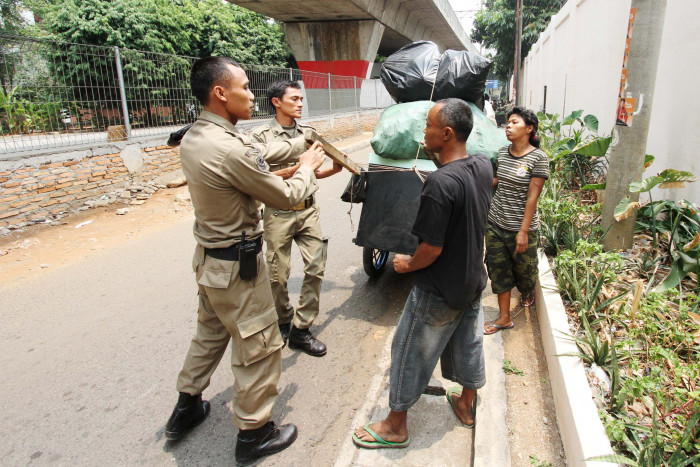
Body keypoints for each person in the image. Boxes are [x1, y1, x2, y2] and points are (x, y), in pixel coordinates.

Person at [164, 56, 327, 466]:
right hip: (238, 267)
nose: (252, 95)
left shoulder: (195, 137)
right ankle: (255, 433)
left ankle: (186, 407)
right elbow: (287, 198)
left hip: (209, 262)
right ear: (221, 93)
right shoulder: (231, 146)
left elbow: (240, 184)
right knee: (260, 345)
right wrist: (306, 168)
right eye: (245, 88)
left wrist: (285, 169)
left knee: (209, 334)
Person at [353, 98, 493, 449]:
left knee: (407, 350)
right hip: (473, 279)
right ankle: (466, 403)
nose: (423, 131)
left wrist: (405, 264)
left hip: (439, 289)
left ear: (446, 134)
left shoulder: (439, 185)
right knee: (469, 344)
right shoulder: (481, 166)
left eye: (429, 126)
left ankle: (395, 425)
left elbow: (431, 249)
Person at [251, 80, 342, 357]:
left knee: (316, 267)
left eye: (301, 99)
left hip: (308, 211)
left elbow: (312, 174)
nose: (300, 103)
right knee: (277, 276)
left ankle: (301, 329)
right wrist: (297, 169)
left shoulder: (309, 134)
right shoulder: (260, 137)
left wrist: (335, 170)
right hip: (277, 212)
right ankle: (283, 320)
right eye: (294, 99)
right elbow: (258, 179)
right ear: (276, 102)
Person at [483, 106, 549, 335]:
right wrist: (476, 179)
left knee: (526, 275)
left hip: (523, 228)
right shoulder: (502, 153)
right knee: (498, 271)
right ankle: (504, 318)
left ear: (529, 128)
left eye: (514, 122)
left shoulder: (539, 158)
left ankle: (527, 292)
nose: (508, 126)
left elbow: (533, 197)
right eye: (508, 123)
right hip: (496, 224)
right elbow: (499, 181)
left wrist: (523, 232)